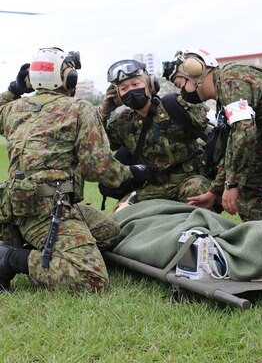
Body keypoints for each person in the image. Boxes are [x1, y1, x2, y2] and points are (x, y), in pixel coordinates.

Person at [0, 47, 154, 293]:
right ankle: (9, 258)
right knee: (90, 277)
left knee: (109, 234)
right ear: (67, 78)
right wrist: (132, 172)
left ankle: (34, 246)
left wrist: (14, 90)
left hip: (21, 204)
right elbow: (98, 168)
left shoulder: (13, 108)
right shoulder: (78, 108)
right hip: (47, 209)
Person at [162, 47, 262, 221]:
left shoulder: (230, 79)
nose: (183, 92)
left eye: (181, 85)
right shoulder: (223, 97)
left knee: (246, 195)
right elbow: (232, 145)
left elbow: (244, 133)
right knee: (248, 197)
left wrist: (231, 184)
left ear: (195, 72)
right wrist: (215, 191)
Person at [97, 58, 212, 207]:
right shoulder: (122, 123)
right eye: (124, 89)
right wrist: (103, 112)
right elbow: (94, 145)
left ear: (150, 85)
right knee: (121, 214)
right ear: (118, 96)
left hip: (190, 180)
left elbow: (216, 132)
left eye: (135, 84)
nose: (131, 90)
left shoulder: (177, 106)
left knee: (195, 199)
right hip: (154, 186)